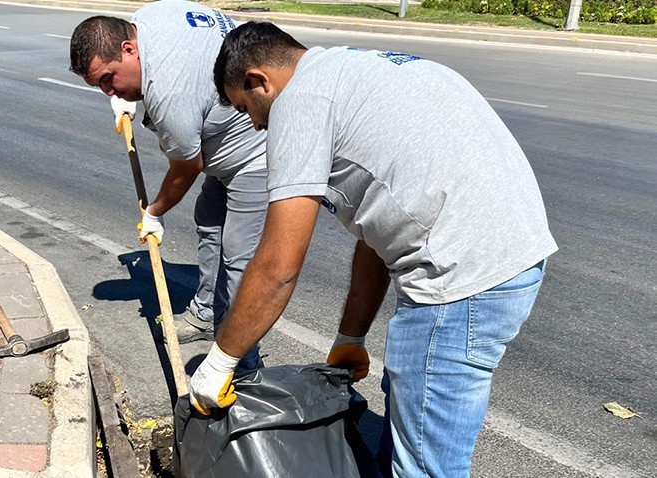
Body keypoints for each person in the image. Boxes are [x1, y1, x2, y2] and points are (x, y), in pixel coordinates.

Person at [189, 21, 558, 477]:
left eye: (248, 109)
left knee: (425, 465)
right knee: (409, 410)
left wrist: (221, 359)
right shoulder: (351, 68)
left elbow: (278, 265)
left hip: (459, 276)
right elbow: (376, 232)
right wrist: (350, 337)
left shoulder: (299, 101)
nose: (257, 124)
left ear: (259, 80)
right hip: (510, 253)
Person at [69, 1, 267, 372]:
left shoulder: (169, 93)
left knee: (239, 258)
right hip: (229, 133)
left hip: (259, 150)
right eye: (99, 86)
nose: (108, 92)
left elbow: (187, 166)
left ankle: (242, 365)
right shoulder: (147, 19)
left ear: (129, 49)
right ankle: (207, 311)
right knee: (209, 220)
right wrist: (126, 96)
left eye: (108, 80)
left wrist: (154, 211)